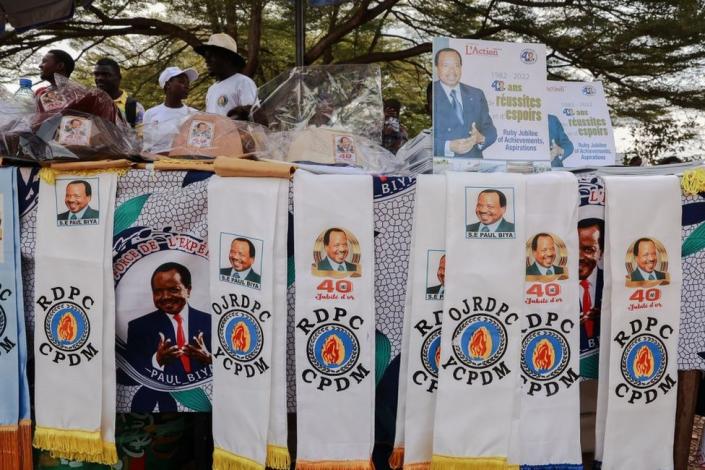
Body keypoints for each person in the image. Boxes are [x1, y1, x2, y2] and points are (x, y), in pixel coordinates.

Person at [126, 262, 212, 411]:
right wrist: (157, 361)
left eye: (173, 289)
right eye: (158, 291)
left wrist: (210, 359)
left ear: (188, 290)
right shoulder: (138, 327)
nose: (165, 297)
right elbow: (130, 374)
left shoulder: (211, 322)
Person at [433, 48, 497, 159]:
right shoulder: (431, 93)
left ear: (461, 68)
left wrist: (480, 138)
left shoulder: (477, 94)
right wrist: (449, 146)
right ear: (436, 68)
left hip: (473, 168)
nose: (452, 71)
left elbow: (490, 129)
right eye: (446, 65)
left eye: (457, 65)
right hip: (441, 167)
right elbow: (422, 139)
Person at [194, 33, 258, 119]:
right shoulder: (212, 89)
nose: (206, 60)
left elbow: (254, 116)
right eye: (205, 56)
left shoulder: (243, 82)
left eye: (210, 56)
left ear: (227, 58)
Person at [142, 66, 199, 154]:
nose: (187, 86)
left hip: (184, 165)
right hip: (156, 164)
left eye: (188, 83)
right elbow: (147, 147)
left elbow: (197, 146)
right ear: (168, 85)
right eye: (182, 82)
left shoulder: (194, 114)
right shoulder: (150, 114)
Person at [93, 57, 145, 130]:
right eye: (96, 74)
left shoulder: (134, 108)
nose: (99, 78)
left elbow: (140, 138)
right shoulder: (90, 103)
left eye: (106, 75)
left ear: (119, 77)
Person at [578, 219, 604, 339]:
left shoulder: (612, 282)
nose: (579, 257)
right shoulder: (555, 286)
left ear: (601, 252)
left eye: (588, 250)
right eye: (574, 248)